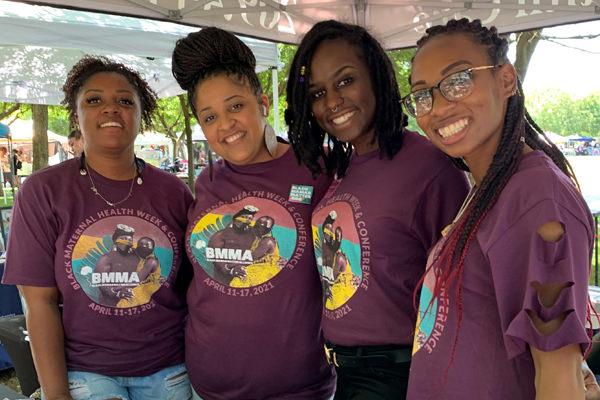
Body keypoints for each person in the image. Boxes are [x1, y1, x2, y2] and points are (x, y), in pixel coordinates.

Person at [403, 18, 594, 399]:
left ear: (506, 79)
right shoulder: (490, 187)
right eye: (422, 94)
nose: (438, 108)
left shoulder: (536, 196)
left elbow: (559, 380)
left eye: (458, 80)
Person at [285, 20, 470, 399]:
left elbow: (463, 289)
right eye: (318, 92)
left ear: (377, 77)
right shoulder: (342, 168)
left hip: (400, 373)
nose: (332, 101)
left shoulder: (429, 166)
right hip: (344, 373)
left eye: (345, 80)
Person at [2, 55, 194, 400]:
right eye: (94, 100)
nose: (110, 109)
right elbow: (39, 303)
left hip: (169, 370)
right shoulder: (42, 191)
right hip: (86, 373)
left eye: (124, 100)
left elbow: (192, 289)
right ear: (76, 117)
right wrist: (56, 394)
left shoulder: (173, 191)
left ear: (140, 115)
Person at [172, 27, 335, 399]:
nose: (225, 125)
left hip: (299, 386)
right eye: (209, 117)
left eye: (235, 106)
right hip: (208, 384)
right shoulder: (206, 182)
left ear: (262, 104)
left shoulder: (316, 168)